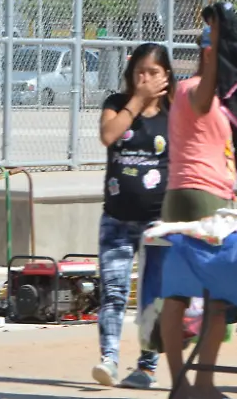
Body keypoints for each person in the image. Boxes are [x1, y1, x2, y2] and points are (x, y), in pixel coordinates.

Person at [159, 8, 236, 399]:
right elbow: (206, 89)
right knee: (215, 297)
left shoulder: (206, 95)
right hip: (201, 198)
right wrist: (214, 43)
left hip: (187, 196)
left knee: (179, 293)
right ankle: (197, 384)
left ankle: (184, 385)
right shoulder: (193, 90)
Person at [91, 43, 176, 389]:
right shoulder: (116, 105)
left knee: (152, 296)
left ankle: (147, 366)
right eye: (140, 71)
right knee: (113, 291)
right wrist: (138, 101)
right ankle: (109, 359)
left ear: (166, 76)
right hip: (116, 219)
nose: (145, 78)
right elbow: (108, 135)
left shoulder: (174, 112)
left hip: (159, 223)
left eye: (153, 72)